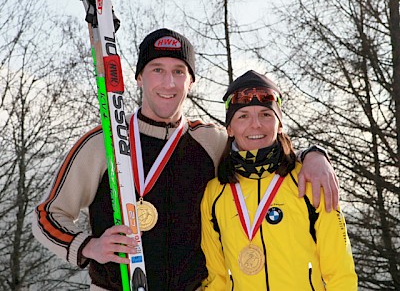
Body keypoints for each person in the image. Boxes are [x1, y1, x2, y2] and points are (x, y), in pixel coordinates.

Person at [32, 29, 339, 291]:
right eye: (157, 70)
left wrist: (312, 156)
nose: (169, 83)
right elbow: (47, 215)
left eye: (179, 72)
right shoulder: (104, 142)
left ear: (191, 82)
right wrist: (88, 246)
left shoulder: (210, 140)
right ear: (139, 77)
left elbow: (261, 146)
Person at [200, 70, 357, 290]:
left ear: (280, 124)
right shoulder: (214, 193)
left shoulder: (310, 178)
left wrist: (315, 154)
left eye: (266, 114)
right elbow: (216, 279)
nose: (256, 125)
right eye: (243, 116)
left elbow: (340, 272)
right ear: (230, 129)